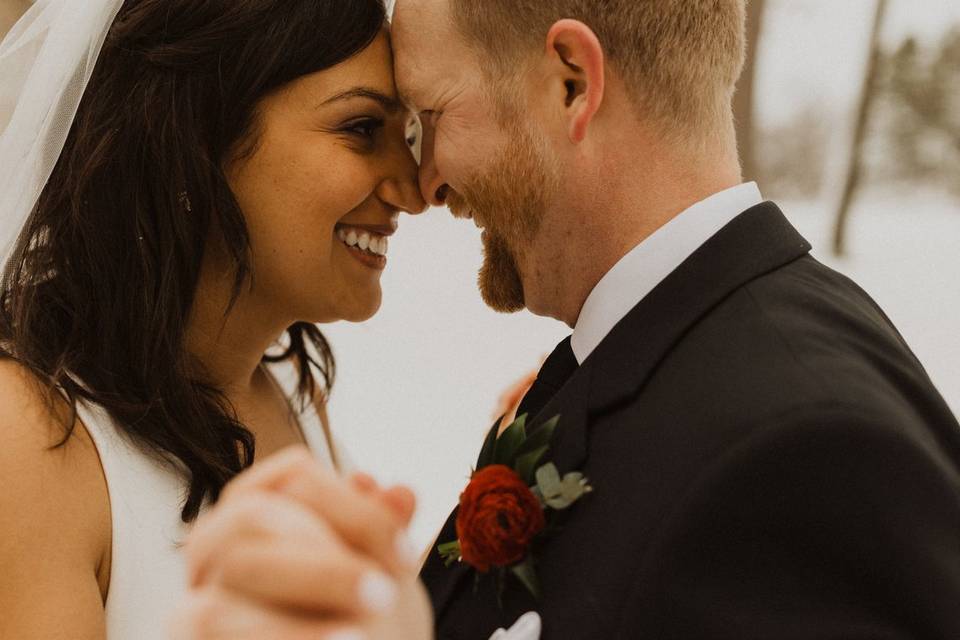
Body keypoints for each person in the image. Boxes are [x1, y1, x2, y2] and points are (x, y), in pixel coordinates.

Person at [178, 0, 960, 638]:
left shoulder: (800, 454)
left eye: (431, 115)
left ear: (572, 84)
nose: (425, 184)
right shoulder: (659, 362)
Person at [0, 1, 427, 638]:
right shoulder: (28, 439)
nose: (413, 191)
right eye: (363, 128)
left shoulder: (289, 392)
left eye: (411, 135)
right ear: (196, 141)